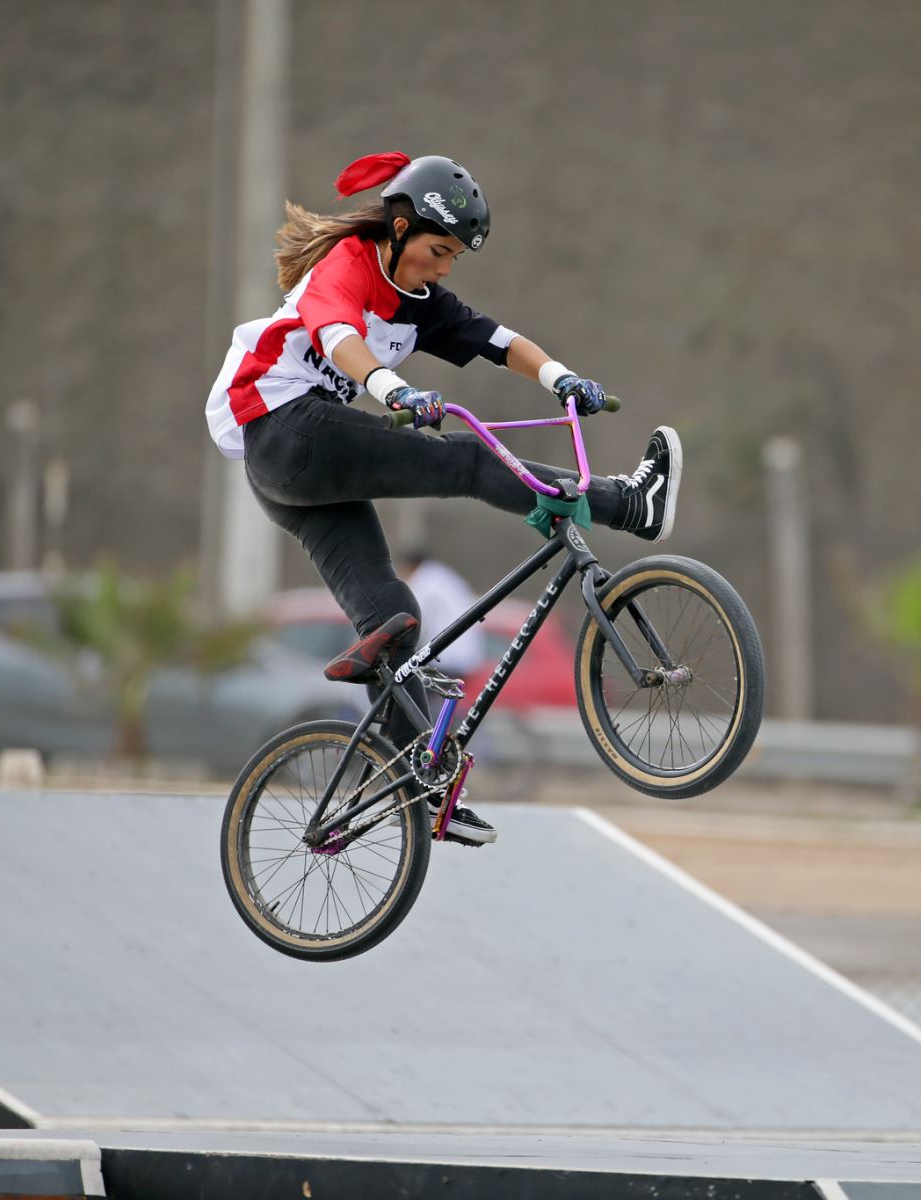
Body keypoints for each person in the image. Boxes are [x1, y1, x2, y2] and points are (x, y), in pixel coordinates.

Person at [204, 151, 681, 848]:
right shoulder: (346, 265)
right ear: (397, 228)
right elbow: (336, 335)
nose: (445, 268)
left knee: (396, 618)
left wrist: (561, 377)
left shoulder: (421, 301)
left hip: (296, 479)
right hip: (282, 433)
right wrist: (393, 390)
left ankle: (409, 787)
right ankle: (627, 505)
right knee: (464, 460)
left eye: (455, 256)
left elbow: (498, 340)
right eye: (437, 250)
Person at [401, 550, 486, 677]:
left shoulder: (424, 580)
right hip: (466, 655)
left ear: (411, 566)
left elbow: (416, 620)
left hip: (446, 656)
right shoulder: (442, 576)